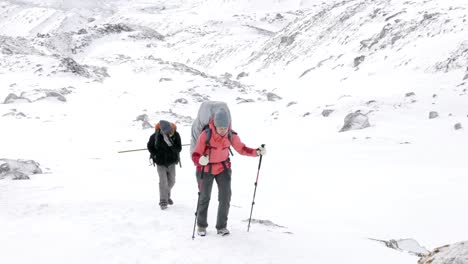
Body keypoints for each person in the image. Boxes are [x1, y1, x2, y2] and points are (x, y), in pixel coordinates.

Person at [191, 109, 266, 236]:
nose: (223, 130)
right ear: (215, 125)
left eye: (225, 127)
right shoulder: (206, 134)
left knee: (225, 197)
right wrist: (200, 160)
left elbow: (242, 149)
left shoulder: (231, 135)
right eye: (220, 128)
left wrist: (257, 152)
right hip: (205, 169)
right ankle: (201, 225)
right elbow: (195, 155)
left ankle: (221, 226)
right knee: (204, 197)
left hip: (223, 168)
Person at [147, 120, 182, 210]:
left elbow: (179, 149)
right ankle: (163, 200)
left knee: (172, 181)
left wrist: (170, 144)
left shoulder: (176, 135)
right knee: (163, 182)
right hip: (160, 163)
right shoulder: (155, 136)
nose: (170, 132)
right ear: (162, 130)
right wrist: (155, 154)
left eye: (170, 130)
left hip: (172, 162)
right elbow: (149, 146)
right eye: (167, 132)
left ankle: (166, 195)